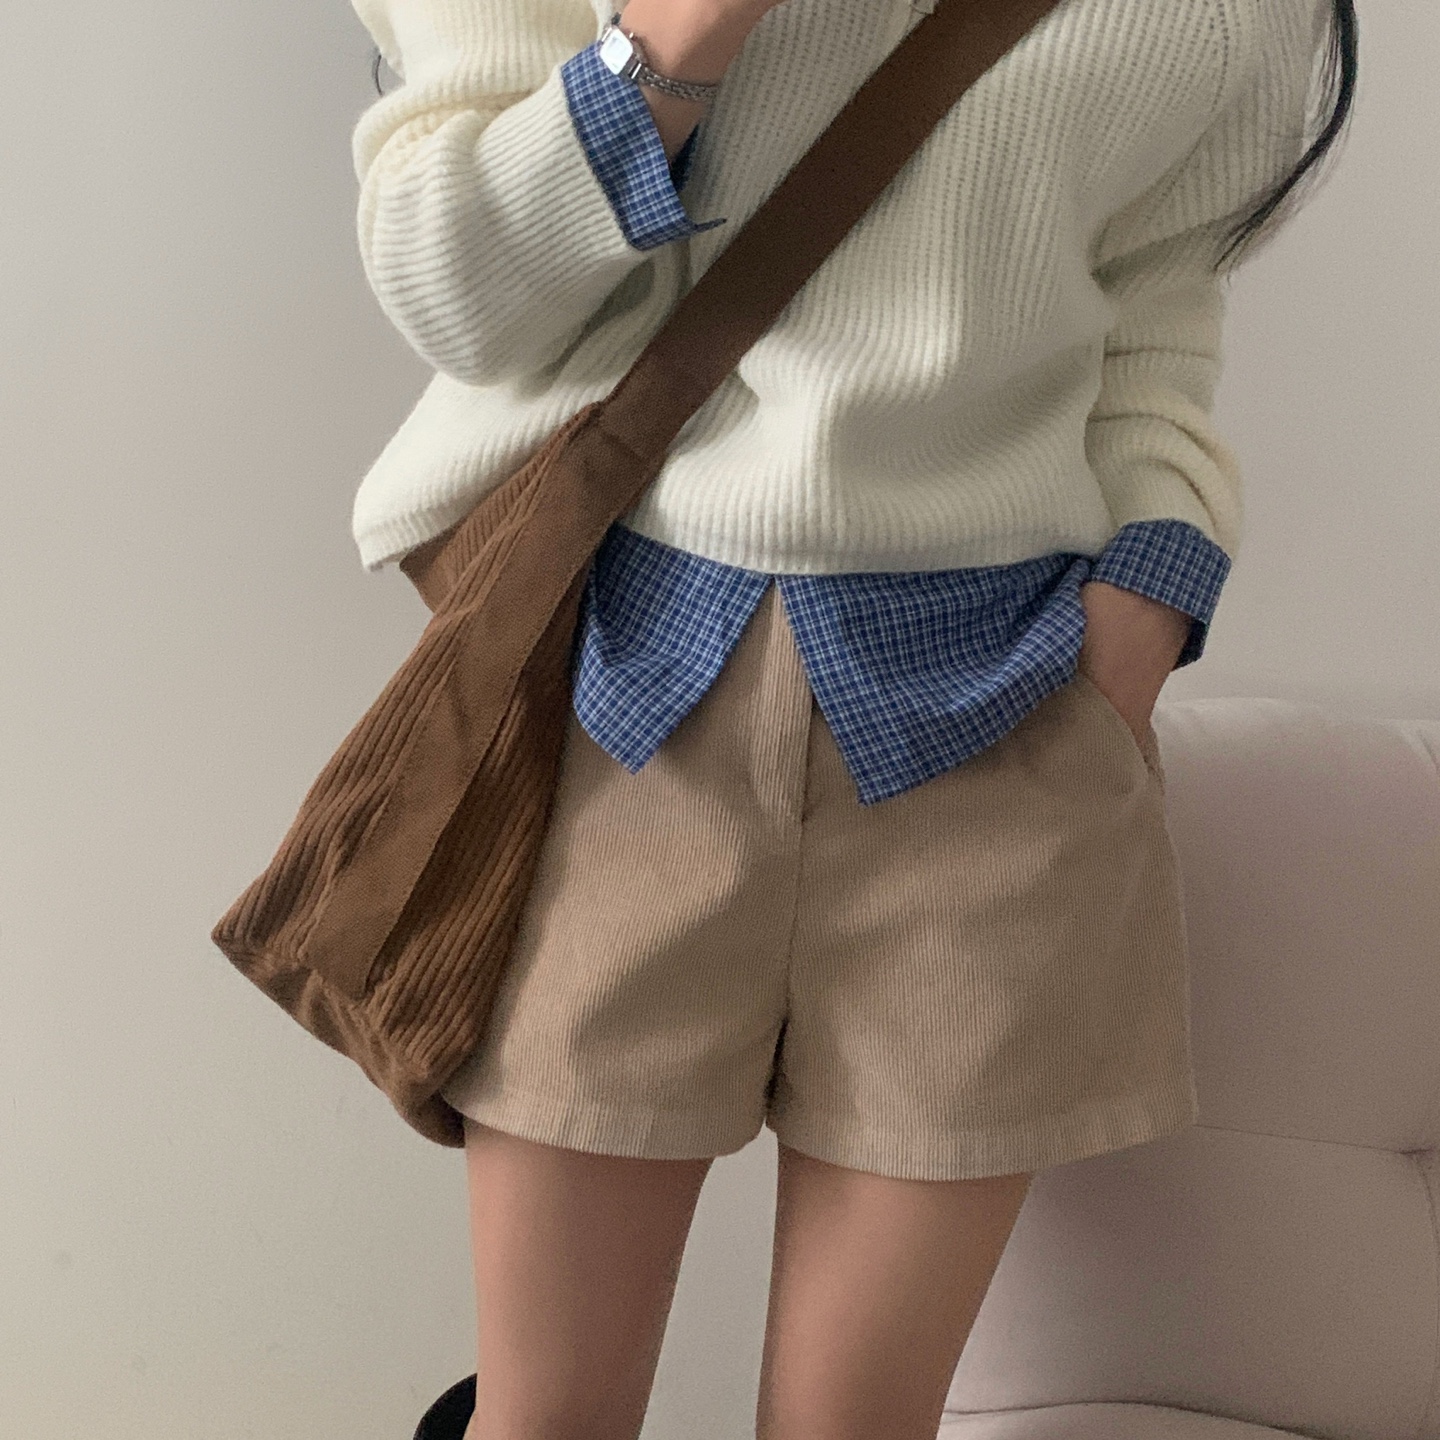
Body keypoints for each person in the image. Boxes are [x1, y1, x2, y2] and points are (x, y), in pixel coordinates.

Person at [345, 0, 1357, 1435]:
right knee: (546, 1417)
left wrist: (1155, 580)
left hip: (1003, 704)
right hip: (628, 684)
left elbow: (1154, 310)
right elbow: (457, 292)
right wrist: (674, 39)